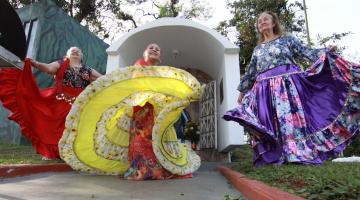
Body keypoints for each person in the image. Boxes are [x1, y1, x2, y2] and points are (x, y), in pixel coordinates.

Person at [223, 11, 359, 166]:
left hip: (286, 87)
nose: (262, 22)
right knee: (271, 123)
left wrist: (325, 52)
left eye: (265, 19)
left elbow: (306, 52)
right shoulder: (257, 50)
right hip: (264, 90)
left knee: (289, 121)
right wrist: (242, 92)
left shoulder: (287, 40)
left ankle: (296, 153)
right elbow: (251, 72)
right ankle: (276, 155)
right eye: (259, 21)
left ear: (274, 23)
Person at [0, 47, 102, 159]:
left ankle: (72, 153)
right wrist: (36, 63)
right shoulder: (61, 63)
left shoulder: (88, 70)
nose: (75, 51)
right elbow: (48, 68)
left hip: (80, 103)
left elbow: (103, 79)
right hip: (60, 99)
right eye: (72, 50)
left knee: (77, 128)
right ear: (67, 55)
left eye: (78, 51)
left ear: (81, 56)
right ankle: (52, 152)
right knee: (54, 126)